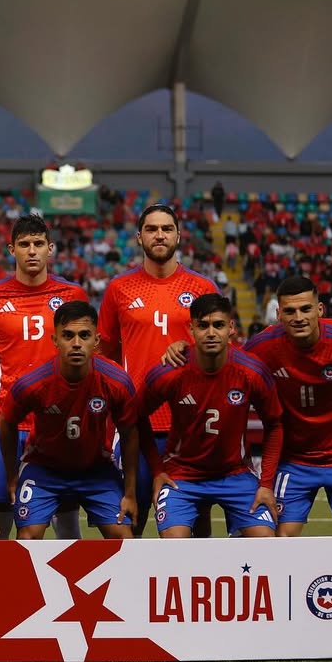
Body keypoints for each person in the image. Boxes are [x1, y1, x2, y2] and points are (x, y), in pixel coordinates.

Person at [0, 213, 89, 539]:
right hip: (4, 422)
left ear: (50, 248)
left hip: (58, 422)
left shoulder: (72, 294)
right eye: (24, 244)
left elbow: (87, 354)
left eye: (38, 244)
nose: (32, 251)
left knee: (66, 521)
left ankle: (63, 575)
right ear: (11, 249)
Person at [97, 203, 219, 536]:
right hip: (136, 425)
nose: (160, 235)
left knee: (196, 525)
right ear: (139, 237)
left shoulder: (203, 288)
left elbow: (221, 349)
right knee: (130, 522)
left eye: (167, 229)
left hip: (189, 424)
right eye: (152, 229)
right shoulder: (119, 289)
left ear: (179, 235)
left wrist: (190, 348)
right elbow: (105, 356)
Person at [243, 276, 332, 536]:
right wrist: (184, 348)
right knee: (282, 535)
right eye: (290, 311)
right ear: (278, 314)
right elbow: (227, 368)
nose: (298, 317)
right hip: (292, 459)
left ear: (319, 309)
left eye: (305, 309)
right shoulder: (260, 348)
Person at [141, 294, 282, 538]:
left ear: (231, 328)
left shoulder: (252, 371)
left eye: (218, 325)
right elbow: (134, 417)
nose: (211, 333)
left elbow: (275, 424)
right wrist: (157, 470)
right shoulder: (169, 372)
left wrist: (266, 484)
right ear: (191, 329)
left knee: (265, 540)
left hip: (235, 474)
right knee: (173, 543)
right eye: (203, 325)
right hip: (181, 476)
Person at [0, 301, 138, 540]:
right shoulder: (33, 383)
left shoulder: (116, 381)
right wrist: (12, 477)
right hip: (44, 470)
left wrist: (130, 492)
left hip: (97, 470)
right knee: (28, 537)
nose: (76, 343)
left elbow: (129, 433)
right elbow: (7, 423)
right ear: (55, 340)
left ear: (96, 340)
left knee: (124, 537)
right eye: (67, 336)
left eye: (84, 335)